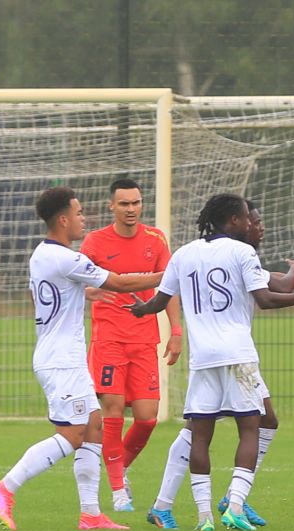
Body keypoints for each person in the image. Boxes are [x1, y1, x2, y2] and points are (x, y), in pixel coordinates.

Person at [128, 193, 294, 531]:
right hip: (237, 354)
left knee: (235, 425)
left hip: (203, 357)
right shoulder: (241, 253)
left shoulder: (185, 253)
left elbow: (159, 301)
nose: (256, 225)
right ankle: (221, 502)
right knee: (247, 426)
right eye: (251, 219)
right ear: (236, 221)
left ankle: (208, 512)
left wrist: (141, 309)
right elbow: (268, 297)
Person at [0, 186, 165, 531]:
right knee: (74, 434)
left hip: (63, 357)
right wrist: (171, 276)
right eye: (78, 213)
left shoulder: (42, 254)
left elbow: (48, 294)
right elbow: (121, 283)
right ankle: (3, 488)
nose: (84, 218)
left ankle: (91, 514)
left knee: (94, 428)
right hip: (61, 360)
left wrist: (84, 291)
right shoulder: (68, 258)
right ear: (63, 220)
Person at [80, 179, 182, 512]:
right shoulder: (95, 242)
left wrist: (176, 331)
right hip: (109, 338)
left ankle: (118, 467)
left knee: (147, 417)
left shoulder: (156, 239)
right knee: (113, 410)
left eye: (136, 202)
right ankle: (117, 490)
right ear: (112, 206)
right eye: (124, 203)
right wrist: (90, 291)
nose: (131, 209)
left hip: (144, 339)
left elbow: (168, 287)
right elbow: (78, 280)